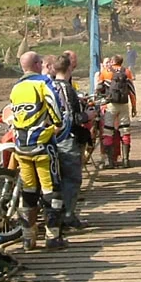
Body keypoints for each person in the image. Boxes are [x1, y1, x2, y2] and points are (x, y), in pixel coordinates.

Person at [9, 51, 67, 250]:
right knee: (52, 191)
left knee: (29, 191)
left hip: (21, 147)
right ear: (36, 64)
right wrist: (58, 123)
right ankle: (53, 236)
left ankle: (28, 238)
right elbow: (55, 107)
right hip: (42, 145)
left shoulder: (15, 88)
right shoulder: (43, 83)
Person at [52, 54, 88, 230]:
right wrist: (88, 115)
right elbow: (72, 117)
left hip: (49, 139)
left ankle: (55, 217)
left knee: (55, 180)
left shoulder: (48, 86)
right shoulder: (66, 88)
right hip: (66, 138)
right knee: (72, 178)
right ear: (69, 69)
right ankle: (68, 216)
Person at [96, 54, 137, 169]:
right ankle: (126, 160)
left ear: (113, 61)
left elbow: (98, 89)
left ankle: (110, 161)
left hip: (111, 105)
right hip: (124, 105)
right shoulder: (127, 72)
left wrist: (101, 102)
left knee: (108, 132)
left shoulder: (105, 72)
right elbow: (132, 92)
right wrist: (134, 107)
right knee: (125, 131)